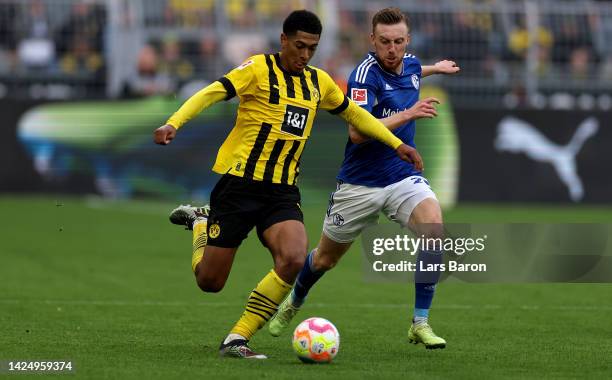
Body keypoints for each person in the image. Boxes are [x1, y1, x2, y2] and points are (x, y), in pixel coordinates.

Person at [153, 9, 422, 359]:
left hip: (281, 191)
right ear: (283, 41)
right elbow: (210, 93)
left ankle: (237, 338)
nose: (305, 55)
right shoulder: (256, 70)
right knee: (210, 282)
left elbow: (356, 116)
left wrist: (397, 144)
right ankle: (201, 224)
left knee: (295, 257)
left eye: (312, 48)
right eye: (299, 46)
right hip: (239, 187)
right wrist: (174, 123)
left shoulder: (319, 82)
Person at [267, 7, 460, 349]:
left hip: (401, 176)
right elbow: (358, 132)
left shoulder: (411, 63)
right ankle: (294, 301)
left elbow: (415, 71)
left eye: (399, 42)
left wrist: (437, 68)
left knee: (434, 232)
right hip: (360, 184)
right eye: (384, 41)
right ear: (372, 39)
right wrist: (409, 113)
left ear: (407, 41)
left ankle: (420, 322)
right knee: (325, 259)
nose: (392, 49)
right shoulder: (364, 75)